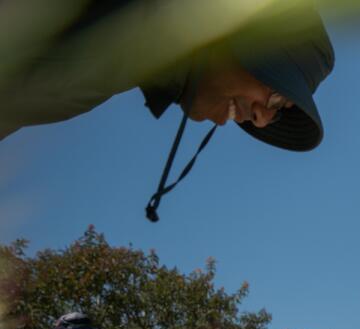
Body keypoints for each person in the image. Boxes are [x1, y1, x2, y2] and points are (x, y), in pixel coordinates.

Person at [0, 0, 335, 220]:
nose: (262, 119)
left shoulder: (126, 59)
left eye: (277, 112)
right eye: (275, 97)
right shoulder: (117, 26)